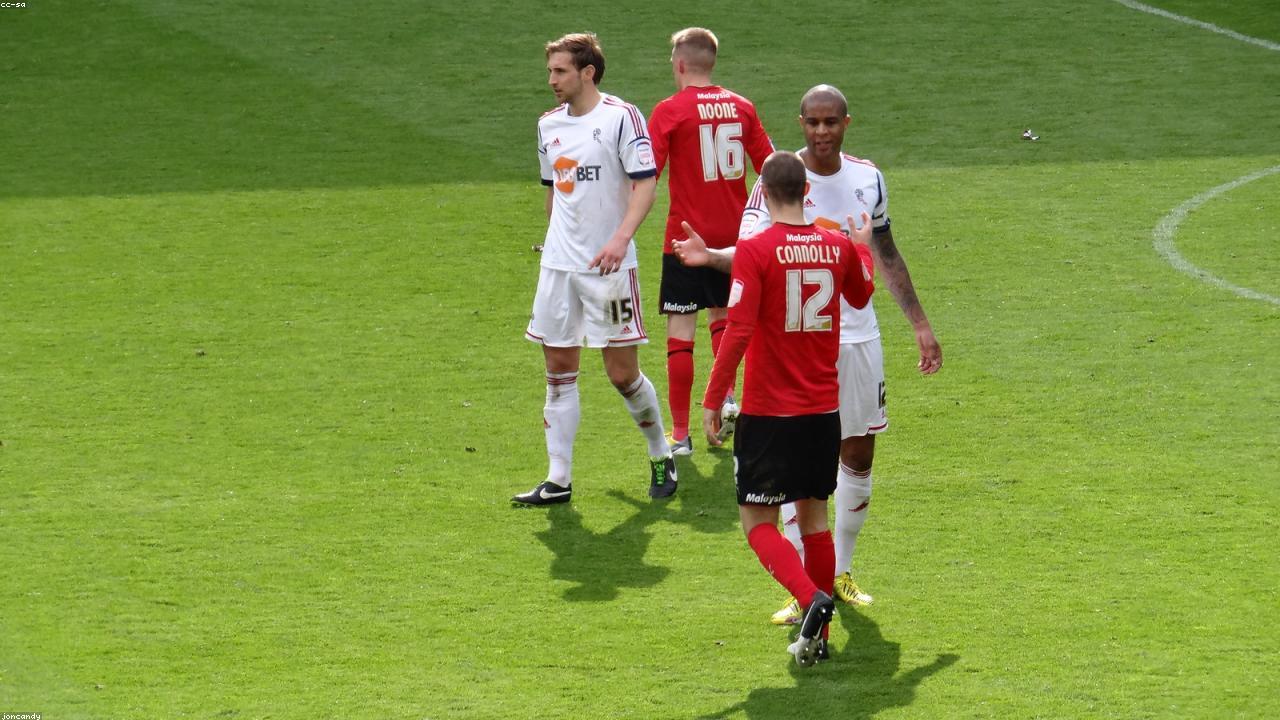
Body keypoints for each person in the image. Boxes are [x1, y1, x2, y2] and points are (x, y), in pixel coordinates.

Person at [675, 84, 943, 623]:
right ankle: (804, 584)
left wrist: (920, 325)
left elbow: (886, 252)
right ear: (801, 123)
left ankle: (837, 573)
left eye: (831, 122)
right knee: (806, 475)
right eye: (813, 122)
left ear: (846, 122)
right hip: (803, 347)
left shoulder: (868, 178)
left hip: (859, 339)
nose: (822, 132)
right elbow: (750, 254)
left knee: (857, 456)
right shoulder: (776, 180)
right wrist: (710, 257)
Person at [697, 150, 876, 666]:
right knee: (814, 518)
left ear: (764, 191)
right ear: (806, 193)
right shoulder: (836, 247)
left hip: (770, 412)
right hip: (823, 411)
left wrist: (714, 398)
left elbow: (739, 331)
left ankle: (809, 600)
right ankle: (817, 636)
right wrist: (862, 249)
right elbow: (862, 297)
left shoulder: (756, 250)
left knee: (758, 523)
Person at [513, 32, 677, 506]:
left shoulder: (622, 119)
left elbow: (645, 186)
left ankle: (659, 451)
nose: (552, 80)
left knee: (621, 373)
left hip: (610, 268)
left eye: (561, 71)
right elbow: (554, 192)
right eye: (550, 71)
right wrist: (554, 240)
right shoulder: (548, 126)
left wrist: (619, 239)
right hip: (559, 268)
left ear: (588, 72)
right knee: (558, 369)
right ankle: (558, 479)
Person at [647, 27, 774, 456]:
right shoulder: (742, 106)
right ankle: (728, 399)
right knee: (725, 319)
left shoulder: (669, 110)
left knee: (680, 332)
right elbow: (770, 168)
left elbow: (647, 174)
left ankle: (680, 435)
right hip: (734, 241)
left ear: (679, 63)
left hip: (684, 239)